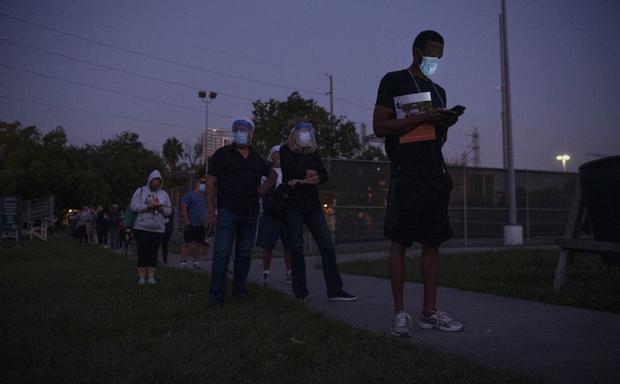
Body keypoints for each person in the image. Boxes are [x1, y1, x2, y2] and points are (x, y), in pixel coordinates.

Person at [373, 30, 463, 336]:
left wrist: (444, 123)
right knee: (400, 241)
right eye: (431, 54)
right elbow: (380, 126)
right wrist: (421, 118)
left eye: (439, 56)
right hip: (407, 172)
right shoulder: (394, 80)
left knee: (432, 243)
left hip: (435, 174)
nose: (435, 61)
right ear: (416, 52)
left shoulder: (439, 91)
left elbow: (438, 138)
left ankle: (430, 312)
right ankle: (400, 313)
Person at [280, 121, 357, 302]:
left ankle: (335, 290)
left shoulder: (313, 153)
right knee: (297, 249)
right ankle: (300, 293)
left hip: (313, 207)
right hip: (293, 207)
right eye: (302, 132)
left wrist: (302, 180)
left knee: (327, 247)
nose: (306, 136)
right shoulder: (286, 150)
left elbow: (323, 175)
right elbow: (290, 171)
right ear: (295, 134)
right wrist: (310, 174)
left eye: (308, 132)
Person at [205, 118, 275, 308]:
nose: (241, 133)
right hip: (228, 212)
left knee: (244, 255)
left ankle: (239, 292)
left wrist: (264, 188)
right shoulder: (222, 154)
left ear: (252, 134)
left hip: (250, 213)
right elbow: (211, 181)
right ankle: (216, 298)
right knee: (222, 253)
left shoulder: (256, 157)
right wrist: (210, 210)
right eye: (238, 129)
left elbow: (273, 174)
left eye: (245, 130)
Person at [257, 145, 293, 285]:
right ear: (271, 156)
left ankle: (289, 272)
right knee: (268, 246)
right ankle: (266, 273)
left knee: (288, 246)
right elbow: (261, 191)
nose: (278, 155)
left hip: (286, 213)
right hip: (270, 214)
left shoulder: (289, 171)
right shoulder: (266, 172)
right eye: (275, 153)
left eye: (280, 153)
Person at [130, 170, 172, 285]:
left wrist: (161, 209)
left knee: (153, 253)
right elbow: (133, 206)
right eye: (154, 181)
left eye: (158, 181)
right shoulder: (140, 191)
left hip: (158, 228)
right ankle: (142, 278)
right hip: (141, 227)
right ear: (150, 180)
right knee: (143, 252)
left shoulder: (164, 194)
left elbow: (169, 211)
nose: (156, 183)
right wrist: (147, 206)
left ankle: (151, 277)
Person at [180, 178, 207, 269]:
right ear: (197, 184)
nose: (203, 185)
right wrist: (187, 220)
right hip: (191, 224)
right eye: (202, 183)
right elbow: (184, 207)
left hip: (201, 225)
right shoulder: (189, 195)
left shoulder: (205, 197)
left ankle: (196, 262)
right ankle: (183, 262)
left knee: (199, 244)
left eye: (205, 183)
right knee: (187, 243)